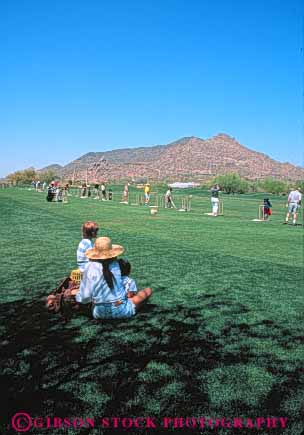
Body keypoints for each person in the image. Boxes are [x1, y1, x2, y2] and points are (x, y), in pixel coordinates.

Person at [76, 237, 152, 319]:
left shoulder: (90, 267)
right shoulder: (116, 265)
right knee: (148, 291)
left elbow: (84, 298)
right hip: (121, 310)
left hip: (99, 314)